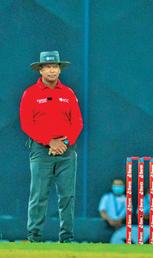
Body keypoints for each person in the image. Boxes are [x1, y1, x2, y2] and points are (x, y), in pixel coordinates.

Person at [20, 51, 83, 242]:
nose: (52, 71)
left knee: (67, 196)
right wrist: (50, 141)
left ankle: (67, 237)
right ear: (40, 70)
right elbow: (26, 124)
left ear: (60, 69)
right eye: (47, 67)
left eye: (55, 67)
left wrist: (64, 143)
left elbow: (78, 122)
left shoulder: (68, 93)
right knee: (39, 194)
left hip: (67, 150)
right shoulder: (30, 93)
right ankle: (34, 236)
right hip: (41, 151)